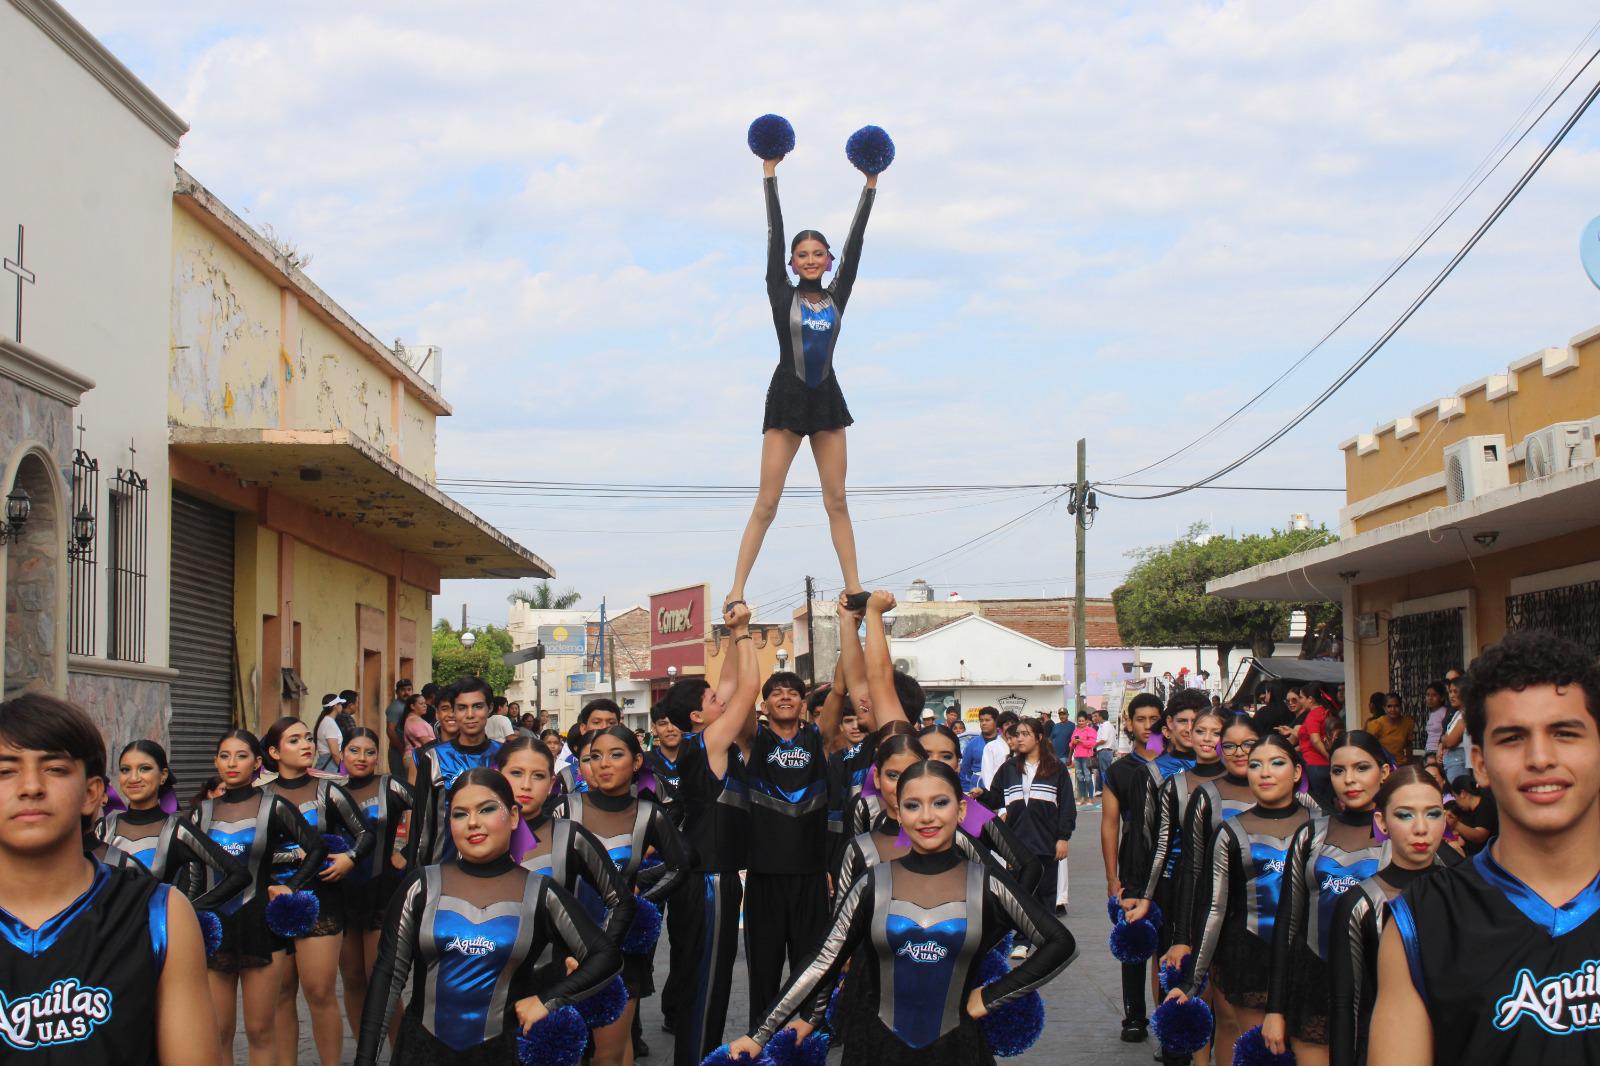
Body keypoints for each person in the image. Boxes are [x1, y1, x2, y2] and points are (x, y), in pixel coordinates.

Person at [727, 760, 1076, 1065]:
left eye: (940, 803)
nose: (926, 816)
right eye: (912, 805)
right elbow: (823, 960)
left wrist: (990, 996)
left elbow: (1060, 943)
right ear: (899, 811)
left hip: (959, 1049)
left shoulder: (986, 882)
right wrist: (760, 1034)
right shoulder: (873, 884)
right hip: (874, 1049)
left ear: (961, 810)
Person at [1372, 632, 1600, 1063]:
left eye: (1565, 733)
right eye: (1512, 738)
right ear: (1480, 763)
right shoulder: (1423, 921)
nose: (1540, 758)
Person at [0, 693, 215, 1065]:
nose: (30, 786)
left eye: (55, 769)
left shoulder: (159, 915)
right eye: (5, 771)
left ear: (92, 793)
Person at [354, 768, 622, 1065]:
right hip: (421, 1052)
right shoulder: (421, 886)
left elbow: (605, 956)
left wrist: (548, 1000)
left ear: (514, 816)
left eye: (487, 809)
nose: (472, 822)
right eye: (459, 814)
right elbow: (387, 978)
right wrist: (364, 1059)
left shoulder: (540, 893)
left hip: (504, 1053)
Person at [724, 149, 880, 614]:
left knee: (838, 499)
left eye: (818, 254)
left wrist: (870, 185)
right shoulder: (780, 291)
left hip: (827, 397)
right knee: (767, 502)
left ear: (828, 261)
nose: (810, 260)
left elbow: (857, 243)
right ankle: (736, 589)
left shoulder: (837, 294)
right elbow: (774, 234)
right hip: (788, 396)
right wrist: (769, 175)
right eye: (802, 255)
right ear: (792, 264)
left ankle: (854, 586)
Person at [1164, 734, 1313, 1059]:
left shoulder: (1321, 824)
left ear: (1297, 772)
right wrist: (1191, 981)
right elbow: (1214, 907)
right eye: (1256, 765)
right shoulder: (1231, 831)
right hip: (1249, 957)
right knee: (1261, 1054)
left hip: (1310, 961)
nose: (1265, 772)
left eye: (1277, 763)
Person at [660, 601, 761, 1062]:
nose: (721, 700)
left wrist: (730, 630)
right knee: (708, 984)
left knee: (705, 981)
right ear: (698, 717)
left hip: (707, 880)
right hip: (709, 882)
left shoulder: (702, 740)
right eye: (711, 700)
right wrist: (743, 632)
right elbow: (749, 689)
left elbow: (731, 685)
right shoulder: (710, 742)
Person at [199, 729, 327, 1065]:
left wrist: (291, 886)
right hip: (216, 928)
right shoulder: (202, 812)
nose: (232, 763)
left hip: (260, 926)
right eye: (225, 756)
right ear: (215, 761)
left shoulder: (274, 806)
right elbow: (194, 871)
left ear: (257, 762)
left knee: (260, 1030)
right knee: (219, 1031)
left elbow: (316, 849)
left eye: (241, 756)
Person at [1262, 731, 1391, 1064]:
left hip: (1385, 988)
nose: (1349, 780)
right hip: (1316, 982)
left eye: (1362, 768)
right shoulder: (1312, 834)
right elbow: (1288, 922)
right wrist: (1275, 1008)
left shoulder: (1406, 835)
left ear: (1384, 772)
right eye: (1338, 770)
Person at [565, 726, 691, 1065]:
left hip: (621, 945)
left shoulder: (649, 814)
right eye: (595, 756)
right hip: (569, 945)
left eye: (615, 754)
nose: (604, 763)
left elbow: (681, 865)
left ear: (636, 762)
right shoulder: (565, 809)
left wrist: (640, 897)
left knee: (612, 1052)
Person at [262, 716, 376, 1066]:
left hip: (320, 899)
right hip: (273, 899)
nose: (307, 745)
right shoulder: (262, 797)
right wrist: (289, 859)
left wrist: (349, 859)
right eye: (294, 740)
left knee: (319, 992)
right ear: (274, 752)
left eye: (308, 738)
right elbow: (255, 852)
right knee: (281, 994)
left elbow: (365, 834)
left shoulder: (329, 791)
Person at [1326, 764, 1448, 1066]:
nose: (1421, 828)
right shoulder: (1360, 902)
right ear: (1382, 821)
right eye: (1405, 815)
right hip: (1385, 1049)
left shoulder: (1465, 890)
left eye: (1433, 814)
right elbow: (1344, 1005)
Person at [1162, 712, 1264, 1065]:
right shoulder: (1206, 795)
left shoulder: (1295, 799)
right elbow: (1192, 869)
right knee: (1226, 1016)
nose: (1239, 752)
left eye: (1248, 744)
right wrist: (1182, 935)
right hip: (1220, 918)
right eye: (1230, 745)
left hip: (1278, 927)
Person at [744, 670, 833, 1028]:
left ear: (804, 703)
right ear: (764, 704)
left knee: (810, 971)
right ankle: (760, 1041)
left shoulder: (818, 738)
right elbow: (742, 694)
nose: (785, 697)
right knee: (764, 973)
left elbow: (840, 689)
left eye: (793, 692)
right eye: (776, 692)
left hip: (810, 876)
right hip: (764, 876)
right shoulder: (753, 740)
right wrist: (740, 639)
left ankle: (808, 1040)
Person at [97, 739, 250, 911]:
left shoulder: (177, 829)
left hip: (155, 927)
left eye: (144, 768)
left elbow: (239, 874)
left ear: (163, 775)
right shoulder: (104, 828)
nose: (133, 778)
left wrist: (187, 912)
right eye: (126, 769)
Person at [335, 727, 414, 1046]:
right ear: (342, 754)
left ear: (377, 757)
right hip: (341, 892)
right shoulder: (331, 792)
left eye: (369, 752)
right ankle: (363, 1053)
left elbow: (432, 812)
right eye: (354, 750)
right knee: (353, 979)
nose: (361, 758)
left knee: (379, 979)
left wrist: (407, 853)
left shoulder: (391, 786)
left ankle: (399, 1052)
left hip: (382, 891)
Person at [1100, 692, 1167, 1043]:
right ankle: (1135, 1017)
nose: (1148, 726)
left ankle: (1168, 1017)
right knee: (1134, 940)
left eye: (1154, 719)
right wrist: (1112, 877)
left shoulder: (1176, 764)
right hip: (1134, 865)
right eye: (1141, 719)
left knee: (1168, 946)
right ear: (1128, 723)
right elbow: (1110, 825)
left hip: (1173, 865)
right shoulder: (1119, 771)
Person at [990, 716, 1075, 954]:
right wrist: (981, 796)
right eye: (1017, 734)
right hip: (1016, 844)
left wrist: (1063, 837)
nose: (1019, 738)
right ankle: (1021, 941)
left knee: (1045, 894)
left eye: (1025, 734)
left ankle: (1047, 943)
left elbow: (1067, 806)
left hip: (1046, 842)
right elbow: (994, 797)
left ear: (1038, 737)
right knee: (1020, 894)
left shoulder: (1056, 768)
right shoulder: (1008, 768)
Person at [406, 675, 502, 867]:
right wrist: (418, 874)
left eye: (477, 706)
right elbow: (422, 825)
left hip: (496, 867)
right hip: (443, 867)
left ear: (490, 708)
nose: (470, 714)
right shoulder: (433, 758)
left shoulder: (504, 756)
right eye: (462, 707)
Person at [1297, 683, 1336, 810]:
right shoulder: (1325, 712)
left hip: (1315, 764)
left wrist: (1329, 757)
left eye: (1301, 697)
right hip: (1326, 765)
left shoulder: (1313, 715)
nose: (1300, 701)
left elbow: (1315, 740)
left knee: (1320, 804)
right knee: (1329, 802)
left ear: (1310, 699)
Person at [1437, 676, 1470, 786]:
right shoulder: (1457, 713)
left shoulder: (1466, 715)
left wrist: (1443, 740)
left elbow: (1450, 741)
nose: (1451, 695)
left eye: (1456, 692)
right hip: (1452, 762)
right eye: (1450, 692)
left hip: (1458, 763)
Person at [1366, 692, 1415, 765]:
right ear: (1384, 708)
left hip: (1401, 764)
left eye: (1396, 706)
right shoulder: (1376, 724)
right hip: (1383, 765)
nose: (1393, 709)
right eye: (1389, 706)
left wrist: (1409, 764)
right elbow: (1369, 746)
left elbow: (1409, 745)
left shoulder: (1407, 723)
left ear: (1401, 707)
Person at [961, 706, 999, 796]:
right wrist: (967, 790)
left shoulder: (1004, 742)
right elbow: (965, 769)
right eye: (981, 720)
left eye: (987, 720)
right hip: (977, 789)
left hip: (999, 788)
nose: (983, 723)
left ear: (996, 721)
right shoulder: (972, 744)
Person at [384, 678, 413, 776]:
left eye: (409, 689)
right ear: (397, 692)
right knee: (400, 780)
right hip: (398, 751)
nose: (406, 693)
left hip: (407, 750)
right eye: (403, 690)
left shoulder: (409, 706)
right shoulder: (395, 708)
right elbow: (390, 731)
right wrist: (402, 749)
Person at [314, 693, 346, 772]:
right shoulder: (329, 724)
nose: (341, 706)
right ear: (335, 706)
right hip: (330, 766)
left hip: (327, 763)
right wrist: (343, 770)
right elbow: (335, 753)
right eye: (340, 704)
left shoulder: (326, 721)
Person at [1422, 681, 1449, 757]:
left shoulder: (1444, 712)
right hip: (1429, 751)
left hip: (1439, 752)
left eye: (1434, 695)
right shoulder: (1432, 713)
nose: (1430, 698)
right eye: (1428, 695)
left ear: (1442, 698)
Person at [1094, 709, 1117, 793]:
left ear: (1101, 717)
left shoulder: (1106, 726)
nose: (1096, 718)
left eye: (1097, 716)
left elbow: (1103, 740)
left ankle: (1106, 790)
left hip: (1104, 751)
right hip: (1106, 751)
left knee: (1104, 772)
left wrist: (1094, 745)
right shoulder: (1107, 726)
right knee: (1102, 771)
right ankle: (1101, 790)